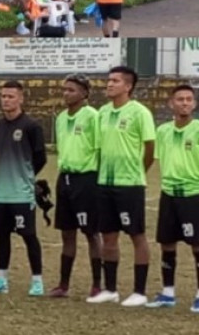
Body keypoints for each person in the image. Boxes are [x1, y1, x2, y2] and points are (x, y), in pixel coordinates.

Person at [87, 66, 155, 306]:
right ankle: (111, 289)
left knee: (136, 235)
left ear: (128, 86)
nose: (109, 84)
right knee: (109, 236)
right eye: (108, 80)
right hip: (105, 183)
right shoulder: (102, 113)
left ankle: (139, 291)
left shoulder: (139, 113)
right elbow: (98, 148)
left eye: (115, 81)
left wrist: (137, 172)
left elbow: (149, 149)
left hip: (130, 185)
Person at [0, 81, 47, 296]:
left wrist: (25, 177)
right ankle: (1, 280)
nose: (6, 100)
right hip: (1, 193)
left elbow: (40, 158)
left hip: (22, 193)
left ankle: (37, 281)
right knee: (1, 236)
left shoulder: (31, 126)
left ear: (21, 99)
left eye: (10, 96)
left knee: (28, 236)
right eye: (3, 96)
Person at [145, 85, 199, 312]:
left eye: (189, 99)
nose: (185, 103)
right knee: (167, 243)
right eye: (180, 99)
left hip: (193, 195)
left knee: (197, 245)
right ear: (171, 104)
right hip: (169, 194)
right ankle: (168, 293)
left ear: (194, 104)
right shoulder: (163, 131)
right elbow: (155, 158)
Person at [49, 75, 103, 298]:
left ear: (84, 94)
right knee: (67, 233)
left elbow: (100, 149)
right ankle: (63, 284)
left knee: (91, 233)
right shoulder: (61, 118)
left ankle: (97, 284)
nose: (66, 93)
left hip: (86, 179)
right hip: (65, 179)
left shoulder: (92, 116)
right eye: (65, 89)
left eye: (72, 90)